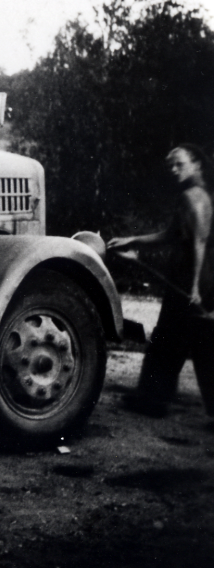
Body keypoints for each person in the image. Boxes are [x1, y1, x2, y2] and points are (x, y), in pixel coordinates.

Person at [108, 144, 214, 418]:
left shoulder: (195, 197)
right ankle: (153, 399)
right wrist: (134, 240)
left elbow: (201, 244)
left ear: (197, 165)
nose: (174, 170)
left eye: (180, 164)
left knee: (186, 342)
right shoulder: (190, 196)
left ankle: (153, 400)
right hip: (188, 279)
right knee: (182, 342)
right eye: (172, 166)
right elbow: (169, 234)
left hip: (194, 280)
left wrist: (194, 289)